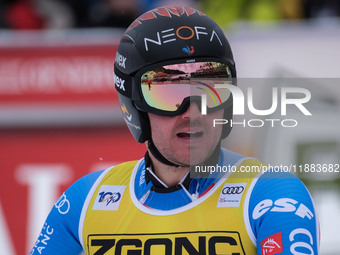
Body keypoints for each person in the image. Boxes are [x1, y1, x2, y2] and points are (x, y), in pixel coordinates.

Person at [30, 5, 319, 255]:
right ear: (134, 107)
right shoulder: (85, 200)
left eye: (211, 87)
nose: (194, 112)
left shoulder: (270, 193)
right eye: (168, 92)